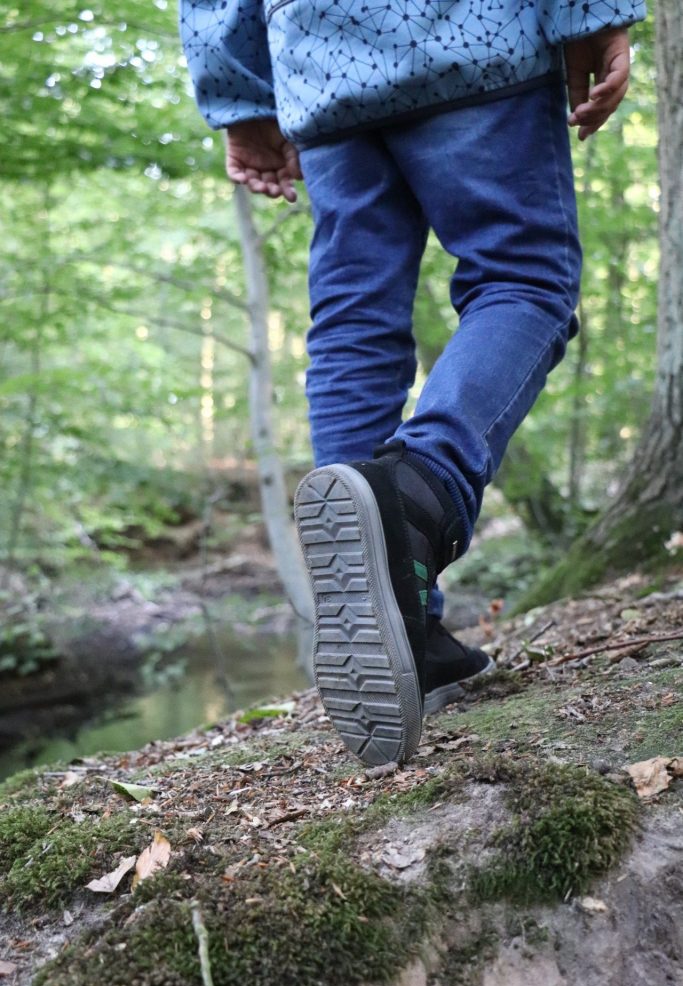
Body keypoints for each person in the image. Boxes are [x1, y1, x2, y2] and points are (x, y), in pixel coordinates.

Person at [180, 0, 646, 766]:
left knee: (352, 322)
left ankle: (408, 620)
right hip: (470, 40)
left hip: (320, 65)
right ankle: (420, 494)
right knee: (524, 281)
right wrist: (591, 12)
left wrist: (240, 97)